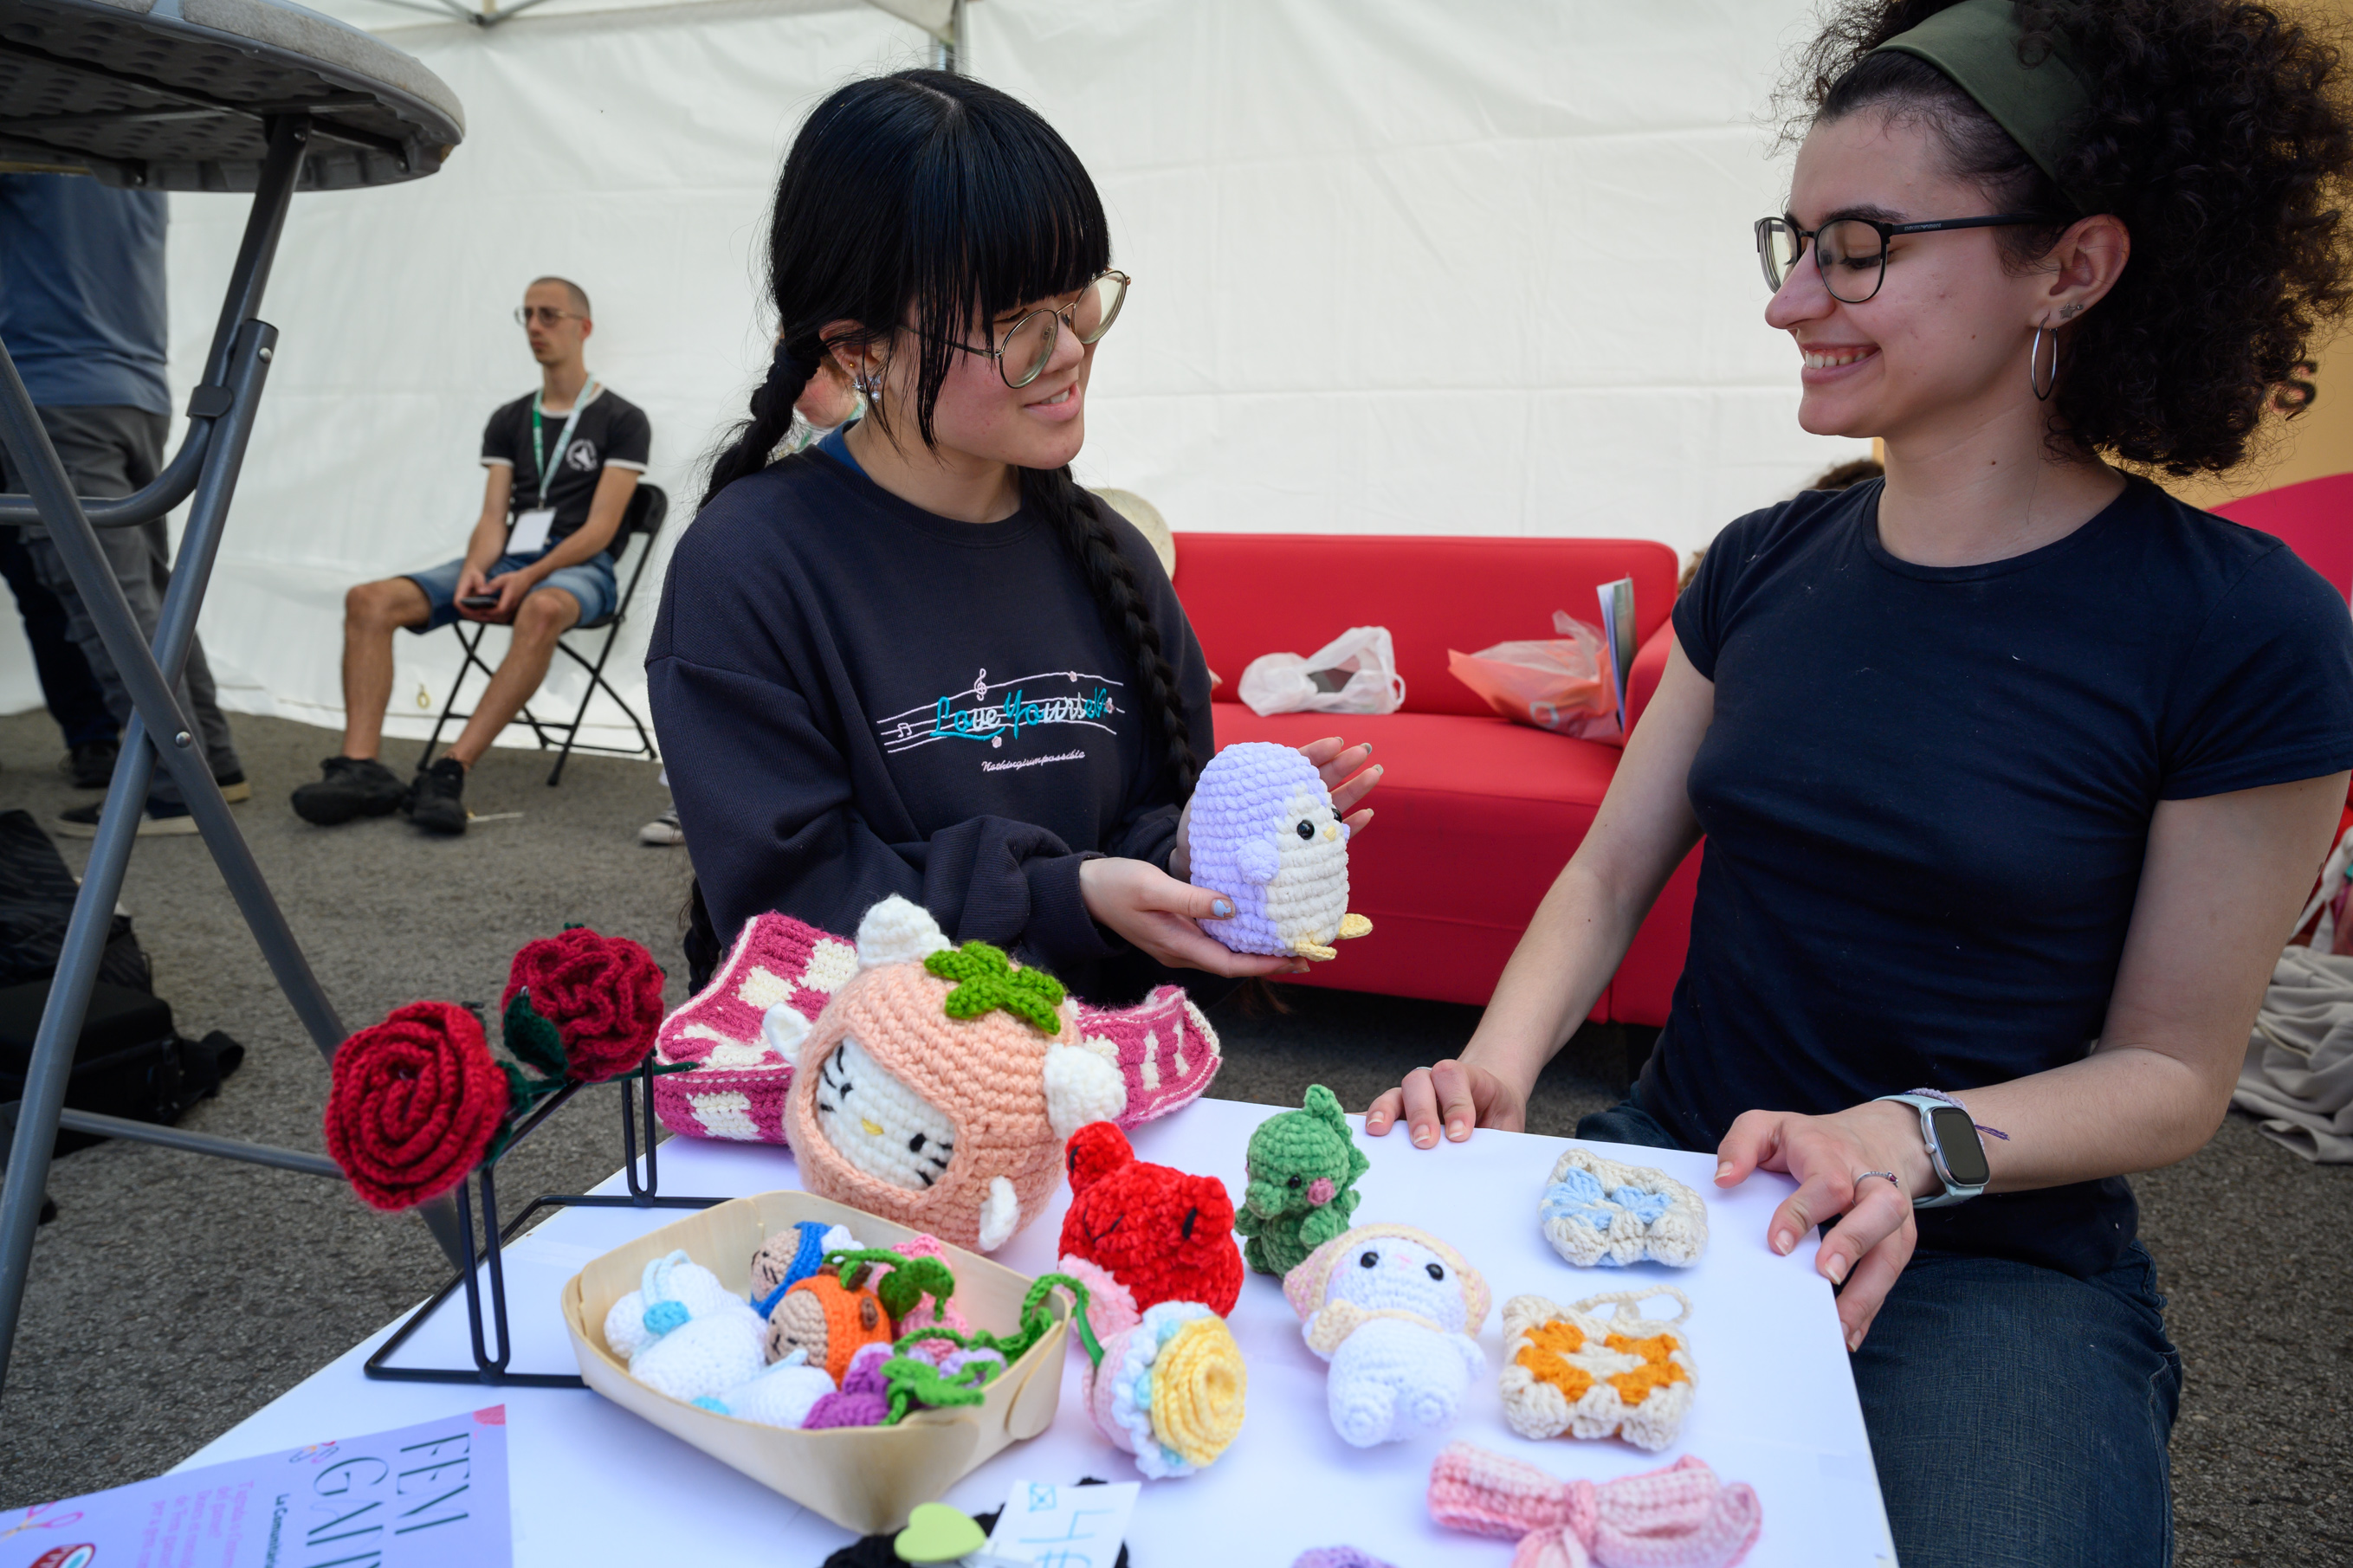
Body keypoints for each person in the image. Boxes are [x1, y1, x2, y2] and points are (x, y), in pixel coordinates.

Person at [1365, 3, 2353, 1565]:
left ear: (2071, 268)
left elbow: (2172, 1072)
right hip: (1679, 1173)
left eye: (1858, 248)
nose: (1786, 302)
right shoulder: (1761, 566)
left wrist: (1905, 1137)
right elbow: (1608, 873)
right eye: (1793, 242)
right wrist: (1496, 1065)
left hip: (1987, 1259)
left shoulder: (2244, 632)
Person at [649, 70, 1378, 1003]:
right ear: (858, 349)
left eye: (1076, 300)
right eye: (1013, 323)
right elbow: (795, 906)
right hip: (862, 1081)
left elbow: (1143, 818)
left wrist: (1201, 851)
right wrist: (1063, 893)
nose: (1068, 349)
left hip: (1100, 1071)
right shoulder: (748, 568)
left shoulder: (1109, 551)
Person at [291, 277, 649, 836]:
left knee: (541, 609)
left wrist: (529, 576)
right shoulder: (510, 418)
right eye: (527, 314)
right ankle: (360, 768)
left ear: (584, 327)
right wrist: (478, 568)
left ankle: (450, 770)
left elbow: (601, 530)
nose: (534, 326)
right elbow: (492, 517)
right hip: (508, 558)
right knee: (369, 600)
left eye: (549, 314)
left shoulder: (623, 419)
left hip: (580, 567)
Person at [0, 173, 249, 837]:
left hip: (54, 389)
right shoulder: (127, 157)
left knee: (104, 599)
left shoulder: (27, 149)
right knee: (148, 593)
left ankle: (172, 788)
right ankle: (213, 765)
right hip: (134, 390)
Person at [637, 358, 863, 849]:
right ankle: (698, 798)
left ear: (847, 366)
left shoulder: (873, 440)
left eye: (808, 372)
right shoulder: (783, 437)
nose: (792, 383)